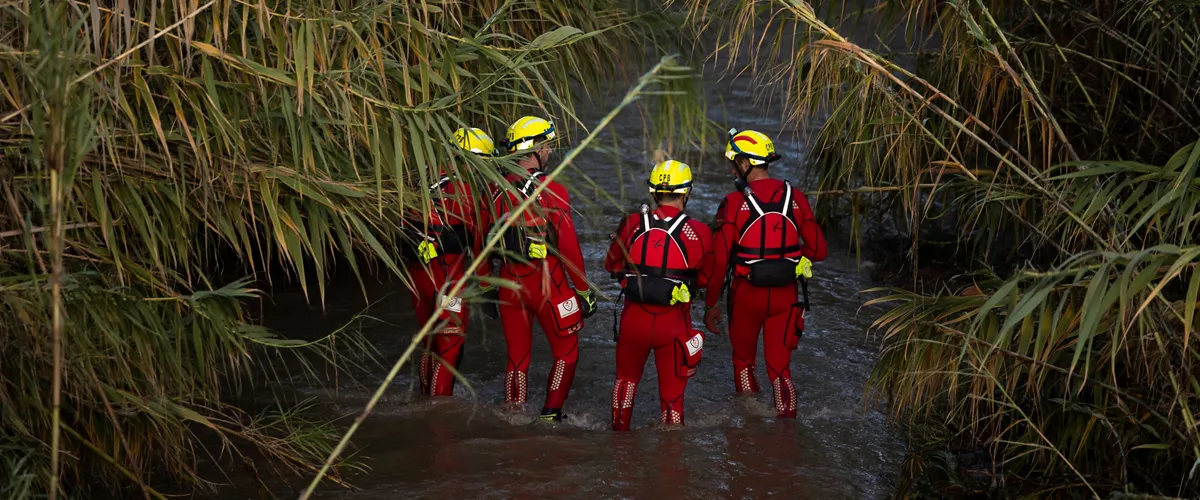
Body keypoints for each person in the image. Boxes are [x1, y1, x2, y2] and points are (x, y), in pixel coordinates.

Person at [704, 128, 827, 418]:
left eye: (734, 163)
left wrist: (710, 305)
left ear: (745, 164)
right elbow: (819, 250)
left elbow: (719, 261)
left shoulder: (733, 203)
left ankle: (750, 426)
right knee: (780, 369)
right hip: (786, 295)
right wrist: (792, 259)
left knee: (744, 362)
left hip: (747, 295)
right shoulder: (795, 197)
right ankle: (786, 432)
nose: (732, 170)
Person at [484, 115, 596, 422]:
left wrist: (485, 288)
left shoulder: (494, 190)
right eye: (547, 146)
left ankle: (513, 413)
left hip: (508, 281)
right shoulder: (552, 188)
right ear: (535, 148)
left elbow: (482, 243)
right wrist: (584, 291)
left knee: (517, 359)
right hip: (548, 282)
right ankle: (550, 414)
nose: (550, 152)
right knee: (567, 353)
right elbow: (569, 246)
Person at [605, 160, 714, 431]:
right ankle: (670, 460)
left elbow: (611, 265)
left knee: (625, 383)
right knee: (672, 400)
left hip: (634, 320)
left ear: (653, 192)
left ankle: (618, 447)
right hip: (673, 325)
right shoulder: (700, 232)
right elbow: (706, 278)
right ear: (686, 192)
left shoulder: (631, 222)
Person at [402, 127, 496, 397]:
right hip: (446, 275)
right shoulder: (467, 191)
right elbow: (479, 246)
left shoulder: (423, 178)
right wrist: (487, 288)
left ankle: (424, 397)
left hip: (416, 273)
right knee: (451, 345)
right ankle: (439, 410)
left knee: (431, 341)